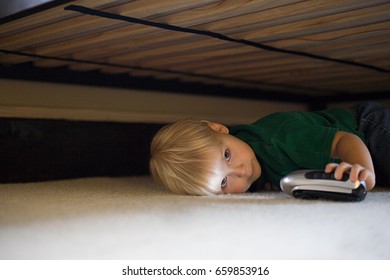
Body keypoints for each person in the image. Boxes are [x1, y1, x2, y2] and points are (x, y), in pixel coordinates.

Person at [150, 101, 389, 195]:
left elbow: (346, 141)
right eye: (224, 182)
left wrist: (362, 170)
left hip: (367, 129)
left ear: (220, 128)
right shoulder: (249, 161)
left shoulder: (278, 138)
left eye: (227, 155)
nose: (241, 172)